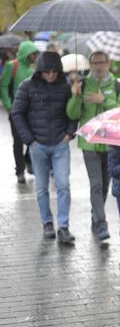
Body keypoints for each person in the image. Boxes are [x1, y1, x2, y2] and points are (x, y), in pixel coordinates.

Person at [10, 51, 77, 243]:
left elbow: (74, 112)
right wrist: (29, 140)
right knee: (41, 188)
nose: (51, 75)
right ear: (40, 70)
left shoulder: (66, 87)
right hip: (37, 145)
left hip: (60, 144)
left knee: (63, 186)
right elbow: (17, 113)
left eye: (55, 71)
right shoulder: (27, 86)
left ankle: (63, 227)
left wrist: (69, 134)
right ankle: (47, 223)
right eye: (47, 71)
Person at [66, 51, 120, 241]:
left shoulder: (118, 86)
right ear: (90, 65)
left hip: (110, 144)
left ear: (109, 63)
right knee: (96, 184)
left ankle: (95, 216)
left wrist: (104, 100)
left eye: (102, 62)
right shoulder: (83, 84)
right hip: (89, 143)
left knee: (105, 185)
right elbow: (72, 114)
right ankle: (101, 224)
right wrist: (75, 96)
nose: (98, 66)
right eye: (95, 63)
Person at [1, 41, 39, 183]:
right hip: (16, 111)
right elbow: (3, 86)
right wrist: (9, 107)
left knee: (33, 138)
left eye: (36, 53)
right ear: (27, 53)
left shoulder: (34, 68)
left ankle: (28, 161)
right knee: (18, 142)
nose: (35, 56)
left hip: (32, 112)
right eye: (33, 53)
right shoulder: (12, 66)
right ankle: (20, 171)